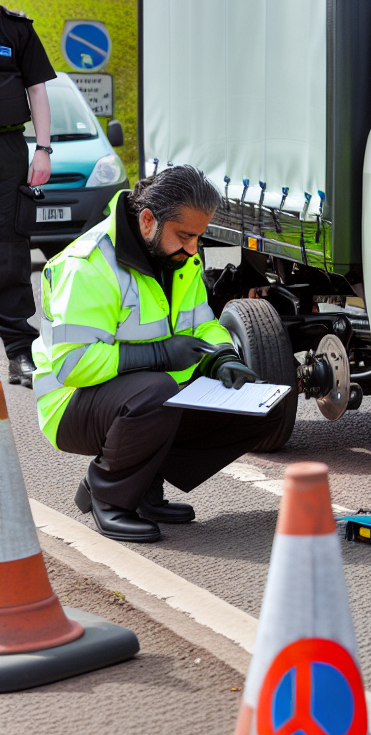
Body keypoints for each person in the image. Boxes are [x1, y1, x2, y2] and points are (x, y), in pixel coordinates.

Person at [32, 164, 288, 543]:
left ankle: (142, 489)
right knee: (157, 392)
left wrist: (223, 357)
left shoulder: (179, 259)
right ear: (148, 220)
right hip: (71, 404)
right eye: (185, 236)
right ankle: (109, 498)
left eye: (199, 237)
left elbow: (202, 324)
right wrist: (160, 354)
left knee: (268, 405)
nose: (193, 249)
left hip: (146, 394)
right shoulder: (87, 265)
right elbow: (73, 365)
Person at [0, 5, 56, 386]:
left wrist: (43, 148)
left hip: (7, 149)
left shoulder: (15, 29)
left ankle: (20, 352)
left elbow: (37, 89)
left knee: (10, 246)